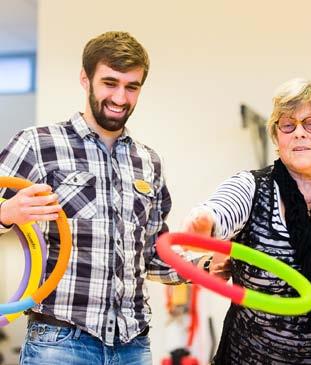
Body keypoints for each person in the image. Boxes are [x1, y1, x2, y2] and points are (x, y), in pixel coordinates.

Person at [0, 31, 208, 365]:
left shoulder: (148, 161)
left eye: (131, 86)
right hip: (60, 342)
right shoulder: (38, 144)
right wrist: (6, 214)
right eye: (109, 83)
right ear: (85, 79)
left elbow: (154, 255)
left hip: (132, 345)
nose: (120, 97)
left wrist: (206, 267)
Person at [183, 78, 311, 364]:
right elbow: (220, 209)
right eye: (287, 125)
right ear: (277, 136)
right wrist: (205, 222)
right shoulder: (251, 186)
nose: (299, 133)